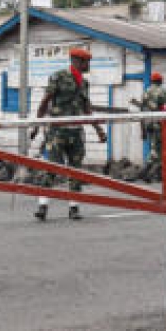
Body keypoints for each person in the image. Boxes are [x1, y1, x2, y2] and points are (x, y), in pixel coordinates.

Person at [31, 46, 107, 221]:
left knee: (75, 170)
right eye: (86, 61)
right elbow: (45, 101)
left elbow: (87, 109)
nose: (88, 64)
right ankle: (42, 206)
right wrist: (35, 125)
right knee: (51, 168)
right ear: (77, 61)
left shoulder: (84, 83)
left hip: (75, 131)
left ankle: (74, 207)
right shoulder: (58, 77)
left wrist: (99, 129)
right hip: (57, 131)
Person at [131, 71, 166, 177]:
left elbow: (142, 111)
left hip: (147, 123)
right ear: (160, 81)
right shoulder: (162, 91)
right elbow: (164, 109)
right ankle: (147, 170)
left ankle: (158, 173)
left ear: (152, 81)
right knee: (157, 148)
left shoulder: (146, 92)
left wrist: (143, 129)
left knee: (155, 146)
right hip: (158, 123)